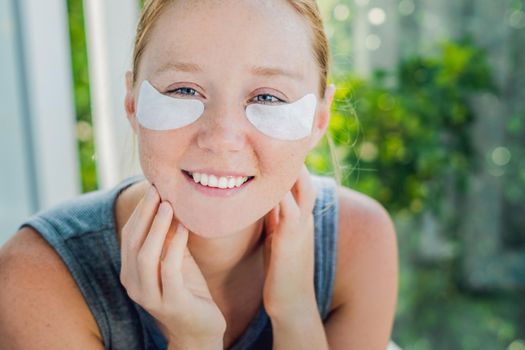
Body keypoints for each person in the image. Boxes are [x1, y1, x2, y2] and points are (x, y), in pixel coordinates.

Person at [0, 0, 398, 349]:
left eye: (267, 97)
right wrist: (194, 340)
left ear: (319, 118)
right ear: (133, 102)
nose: (222, 138)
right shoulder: (36, 277)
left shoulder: (358, 241)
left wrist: (295, 313)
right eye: (184, 91)